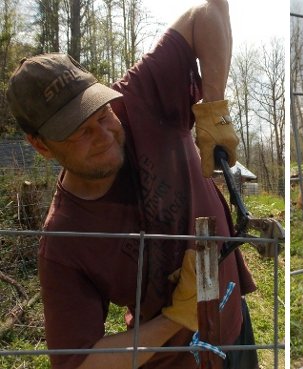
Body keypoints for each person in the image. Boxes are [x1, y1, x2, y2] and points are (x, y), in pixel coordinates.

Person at [5, 1, 259, 368]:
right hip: (176, 360)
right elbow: (80, 363)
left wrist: (214, 106)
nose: (104, 134)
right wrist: (177, 316)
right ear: (40, 144)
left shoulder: (139, 100)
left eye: (101, 112)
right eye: (80, 131)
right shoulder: (64, 240)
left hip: (233, 318)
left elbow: (210, 10)